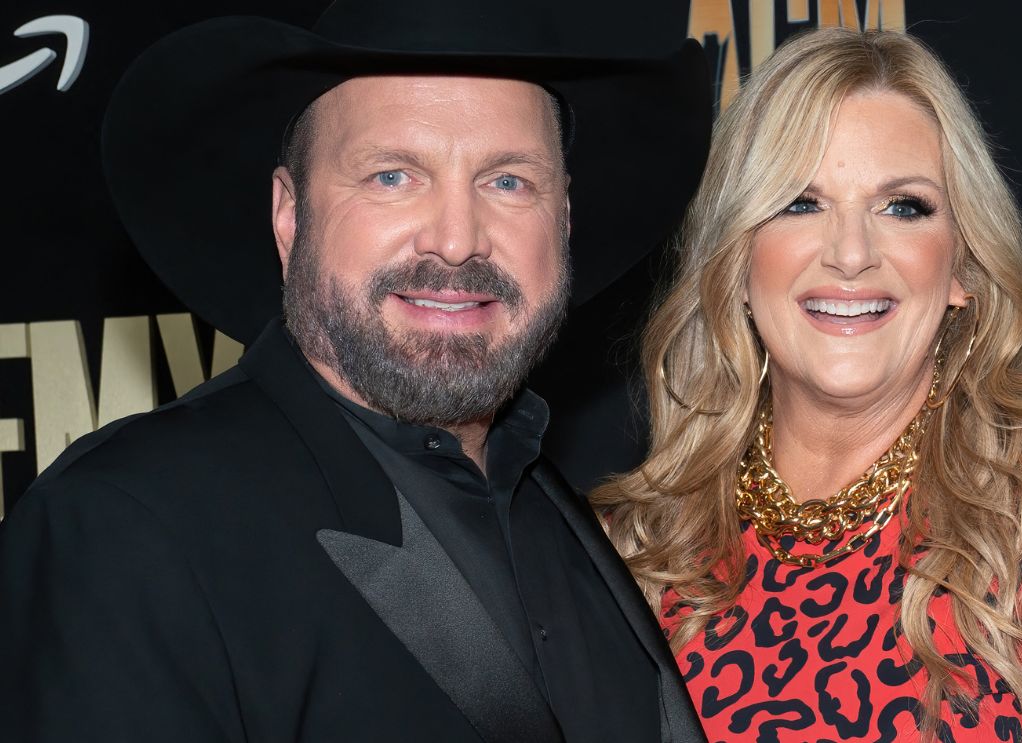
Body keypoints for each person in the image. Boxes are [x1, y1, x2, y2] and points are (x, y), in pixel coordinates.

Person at [0, 1, 712, 741]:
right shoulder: (123, 526)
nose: (456, 240)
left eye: (507, 182)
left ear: (561, 220)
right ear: (290, 215)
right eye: (392, 176)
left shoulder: (560, 508)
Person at [592, 27, 1022, 743]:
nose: (850, 253)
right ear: (736, 262)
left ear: (963, 267)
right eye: (800, 202)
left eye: (902, 207)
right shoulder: (636, 552)